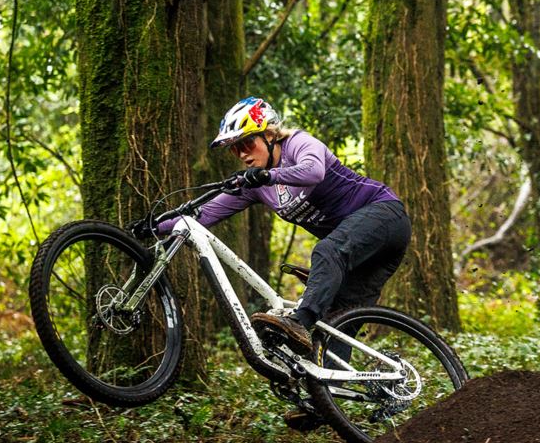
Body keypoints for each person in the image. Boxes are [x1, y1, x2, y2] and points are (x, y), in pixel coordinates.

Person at [162, 96, 409, 358]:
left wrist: (268, 175)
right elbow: (204, 214)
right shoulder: (256, 186)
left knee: (326, 251)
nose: (242, 154)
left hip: (385, 217)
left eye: (247, 143)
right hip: (362, 252)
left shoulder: (297, 144)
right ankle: (331, 392)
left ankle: (298, 322)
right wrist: (154, 227)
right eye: (234, 149)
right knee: (334, 325)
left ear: (269, 135)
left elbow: (313, 172)